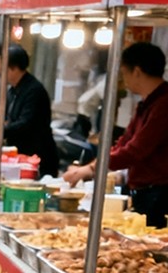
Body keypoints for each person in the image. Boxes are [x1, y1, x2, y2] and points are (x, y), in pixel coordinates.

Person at [63, 42, 168, 226]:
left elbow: (137, 150)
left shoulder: (163, 104)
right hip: (143, 192)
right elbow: (125, 142)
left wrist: (92, 169)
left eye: (124, 72)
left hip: (159, 195)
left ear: (136, 71)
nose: (123, 79)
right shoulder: (146, 103)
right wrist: (94, 166)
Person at [0, 44, 59, 177]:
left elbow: (25, 123)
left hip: (37, 156)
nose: (0, 72)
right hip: (20, 154)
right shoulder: (13, 89)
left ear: (13, 68)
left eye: (3, 68)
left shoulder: (34, 91)